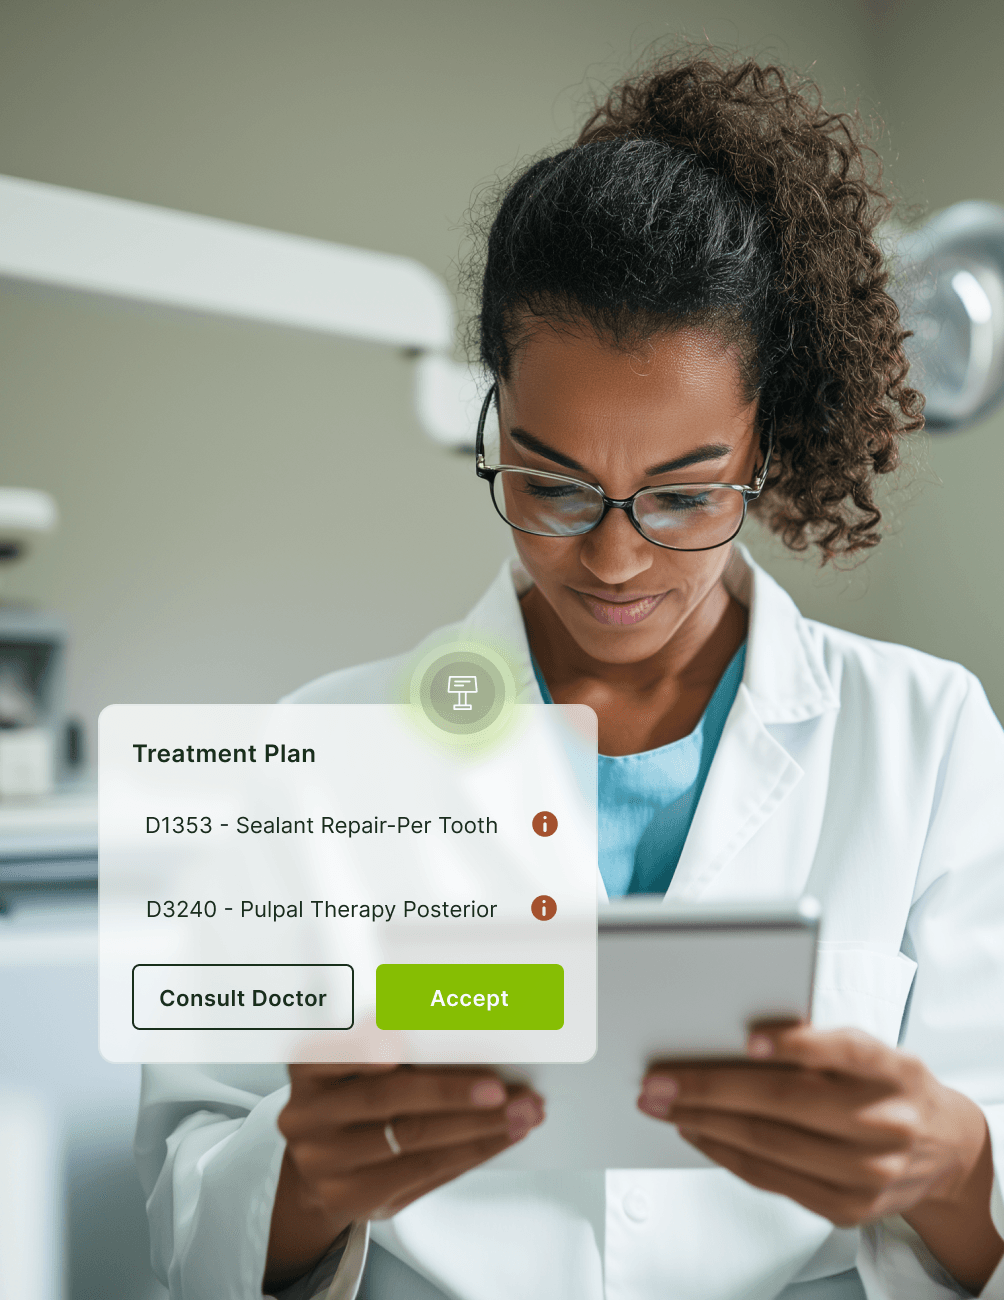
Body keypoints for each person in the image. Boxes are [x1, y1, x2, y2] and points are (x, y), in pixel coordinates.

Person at [135, 51, 1004, 1299]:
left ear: (771, 439)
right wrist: (305, 1178)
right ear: (495, 412)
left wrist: (951, 1163)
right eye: (549, 482)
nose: (610, 556)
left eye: (684, 493)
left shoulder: (929, 740)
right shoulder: (311, 750)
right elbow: (181, 1220)